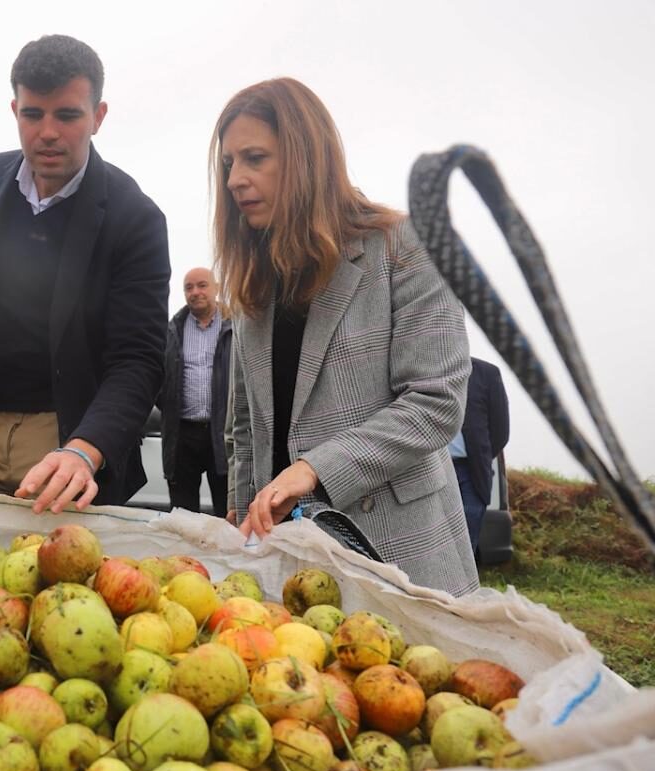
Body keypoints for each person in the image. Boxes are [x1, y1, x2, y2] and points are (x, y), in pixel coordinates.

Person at [215, 78, 478, 596]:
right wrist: (238, 510)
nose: (235, 180)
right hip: (286, 561)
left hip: (398, 554)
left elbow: (436, 403)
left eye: (255, 158)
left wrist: (315, 468)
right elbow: (245, 426)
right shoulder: (255, 282)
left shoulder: (405, 246)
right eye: (228, 163)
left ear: (306, 157)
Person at [0, 34, 171, 514]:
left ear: (98, 116)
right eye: (33, 114)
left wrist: (85, 450)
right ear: (14, 111)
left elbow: (138, 358)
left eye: (67, 115)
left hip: (65, 434)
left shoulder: (136, 216)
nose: (48, 132)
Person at [159, 268, 232, 516]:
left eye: (202, 285)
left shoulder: (237, 326)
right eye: (189, 287)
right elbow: (158, 378)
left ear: (217, 288)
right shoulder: (171, 331)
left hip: (223, 433)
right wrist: (168, 405)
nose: (195, 292)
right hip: (182, 434)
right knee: (182, 515)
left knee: (228, 512)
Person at [450, 357, 510, 553]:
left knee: (465, 548)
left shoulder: (487, 373)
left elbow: (500, 432)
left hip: (471, 474)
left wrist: (480, 456)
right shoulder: (425, 368)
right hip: (430, 469)